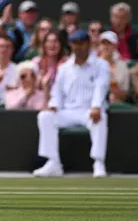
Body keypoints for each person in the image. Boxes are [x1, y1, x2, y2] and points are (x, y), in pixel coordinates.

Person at [33, 30, 110, 178]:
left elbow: (101, 87)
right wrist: (54, 104)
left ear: (88, 44)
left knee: (101, 118)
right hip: (68, 112)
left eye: (81, 43)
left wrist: (96, 106)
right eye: (75, 44)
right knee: (45, 116)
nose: (78, 47)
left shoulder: (101, 65)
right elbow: (57, 91)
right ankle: (53, 162)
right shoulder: (64, 67)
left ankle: (99, 162)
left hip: (89, 111)